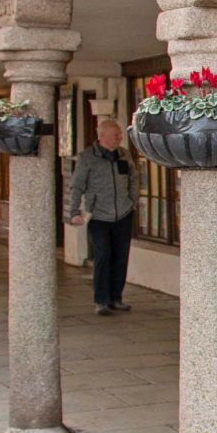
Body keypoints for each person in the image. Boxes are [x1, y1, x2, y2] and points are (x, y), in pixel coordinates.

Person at [67, 120, 137, 315]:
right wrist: (73, 211)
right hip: (98, 215)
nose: (120, 138)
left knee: (120, 257)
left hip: (123, 213)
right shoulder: (87, 157)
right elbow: (77, 185)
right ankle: (101, 300)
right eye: (116, 135)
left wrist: (133, 201)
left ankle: (116, 297)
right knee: (103, 255)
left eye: (120, 134)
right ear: (103, 136)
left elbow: (133, 178)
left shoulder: (124, 155)